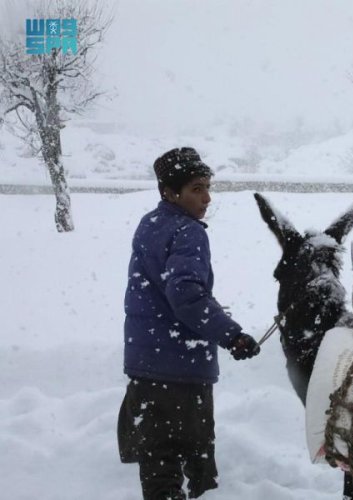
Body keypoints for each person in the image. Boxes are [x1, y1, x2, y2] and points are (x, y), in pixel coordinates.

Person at [117, 147, 260, 500]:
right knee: (197, 468)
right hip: (180, 371)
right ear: (169, 192)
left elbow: (166, 293)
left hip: (147, 367)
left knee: (159, 468)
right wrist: (232, 335)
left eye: (207, 186)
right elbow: (186, 295)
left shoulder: (150, 224)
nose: (207, 197)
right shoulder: (188, 231)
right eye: (197, 188)